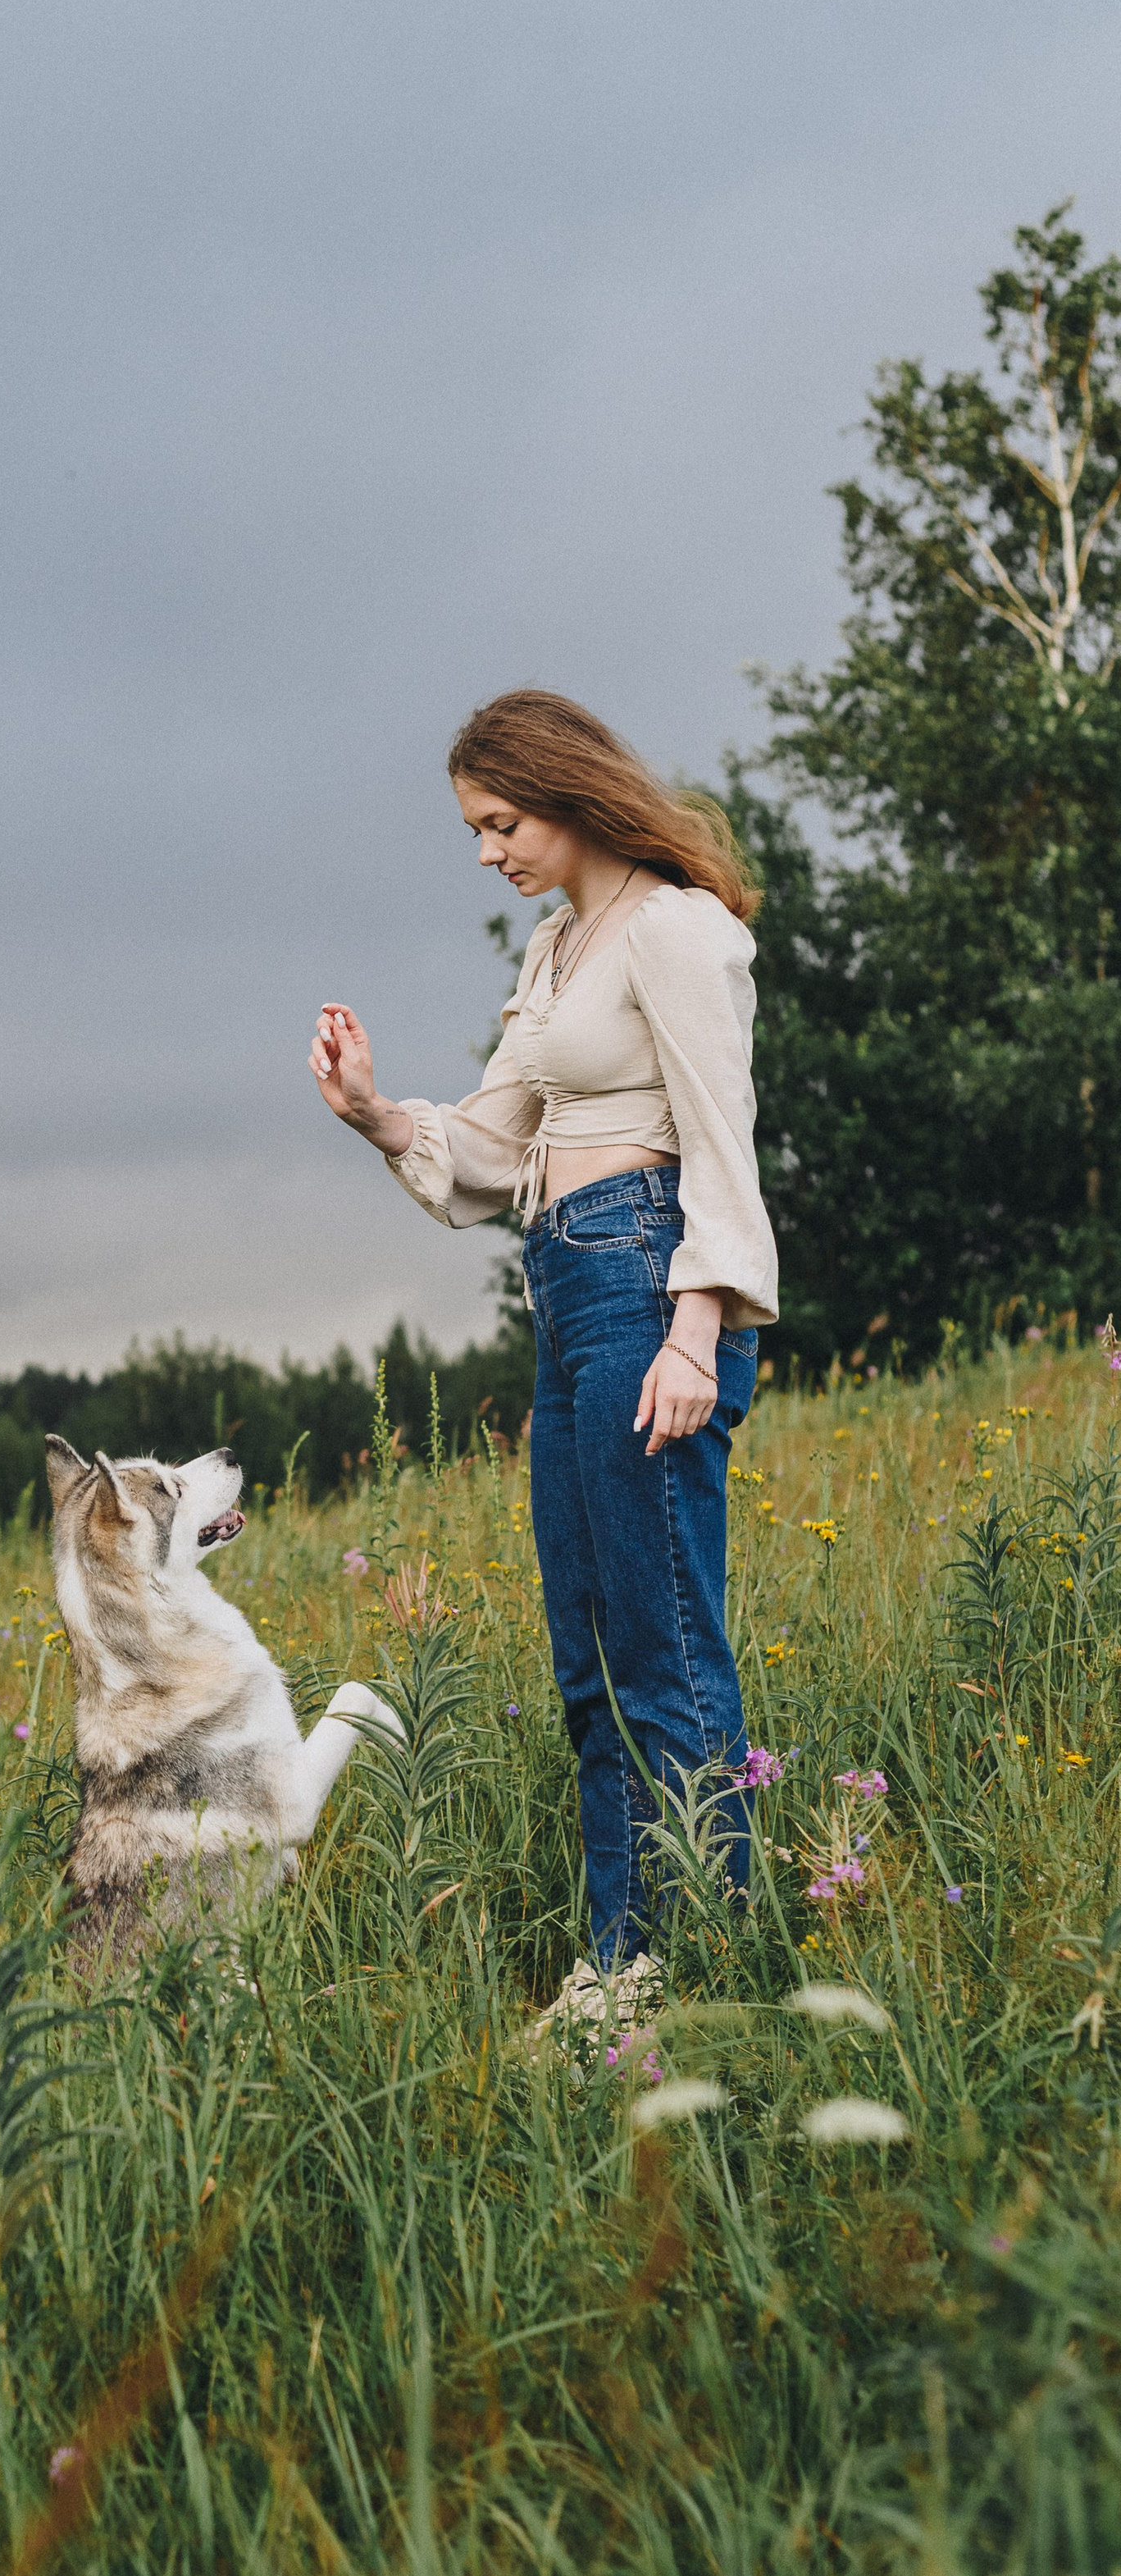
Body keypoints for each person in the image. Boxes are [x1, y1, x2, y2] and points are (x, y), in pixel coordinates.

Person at [308, 687, 777, 2035]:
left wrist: (701, 1324)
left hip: (649, 1286)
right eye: (477, 829)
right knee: (587, 1658)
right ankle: (618, 1962)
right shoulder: (560, 951)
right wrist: (375, 1113)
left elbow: (722, 1139)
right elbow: (498, 1146)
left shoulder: (678, 932)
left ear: (566, 794)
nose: (488, 851)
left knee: (663, 1646)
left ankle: (701, 1971)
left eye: (500, 821)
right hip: (568, 1289)